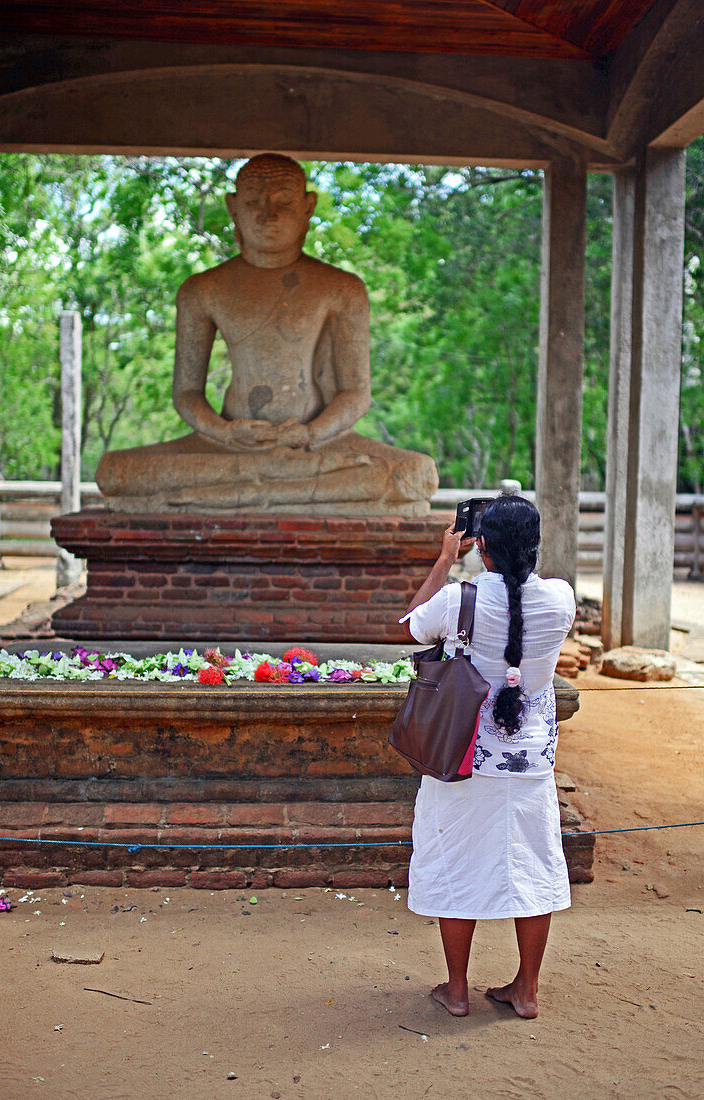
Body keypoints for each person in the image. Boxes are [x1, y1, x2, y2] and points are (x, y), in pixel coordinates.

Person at [96, 153, 437, 515]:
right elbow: (187, 394)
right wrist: (225, 433)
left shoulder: (341, 288)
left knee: (413, 474)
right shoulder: (202, 290)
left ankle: (237, 493)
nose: (267, 215)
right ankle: (282, 487)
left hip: (317, 447)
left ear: (307, 207)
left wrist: (309, 434)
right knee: (116, 471)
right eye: (253, 202)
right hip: (227, 449)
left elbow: (356, 393)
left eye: (283, 203)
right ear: (233, 208)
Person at [401, 495, 576, 1019]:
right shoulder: (562, 599)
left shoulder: (460, 599)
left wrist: (443, 560)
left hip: (463, 759)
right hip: (530, 762)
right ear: (535, 546)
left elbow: (410, 625)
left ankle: (456, 990)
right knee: (533, 867)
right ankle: (526, 990)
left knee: (456, 862)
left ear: (481, 545)